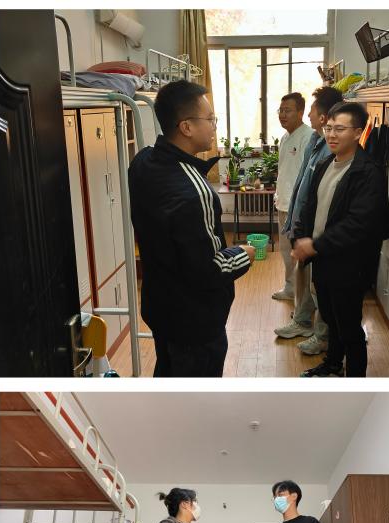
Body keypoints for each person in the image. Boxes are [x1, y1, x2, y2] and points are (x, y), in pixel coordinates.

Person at [129, 80, 255, 377]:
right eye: (210, 119)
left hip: (160, 307)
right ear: (186, 127)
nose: (214, 126)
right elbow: (208, 270)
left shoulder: (143, 162)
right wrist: (243, 253)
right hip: (195, 321)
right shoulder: (194, 192)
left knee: (169, 373)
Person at [292, 101, 389, 377]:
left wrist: (314, 245)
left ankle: (355, 382)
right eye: (328, 128)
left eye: (340, 129)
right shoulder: (326, 164)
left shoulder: (368, 172)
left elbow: (358, 224)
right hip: (322, 258)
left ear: (358, 132)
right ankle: (333, 364)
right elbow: (310, 207)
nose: (331, 135)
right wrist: (300, 236)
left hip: (350, 264)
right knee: (330, 318)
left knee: (349, 327)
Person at [276, 86, 343, 356]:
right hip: (302, 220)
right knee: (303, 275)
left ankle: (322, 335)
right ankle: (302, 321)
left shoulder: (331, 148)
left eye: (313, 110)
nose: (310, 114)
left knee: (319, 284)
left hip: (317, 227)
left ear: (323, 116)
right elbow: (302, 184)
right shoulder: (316, 141)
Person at [271, 93, 312, 303]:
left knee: (299, 254)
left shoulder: (308, 137)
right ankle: (290, 288)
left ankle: (302, 298)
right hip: (283, 203)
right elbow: (284, 171)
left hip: (298, 207)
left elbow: (307, 176)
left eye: (287, 110)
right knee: (286, 251)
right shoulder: (285, 138)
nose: (282, 115)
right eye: (281, 110)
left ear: (300, 112)